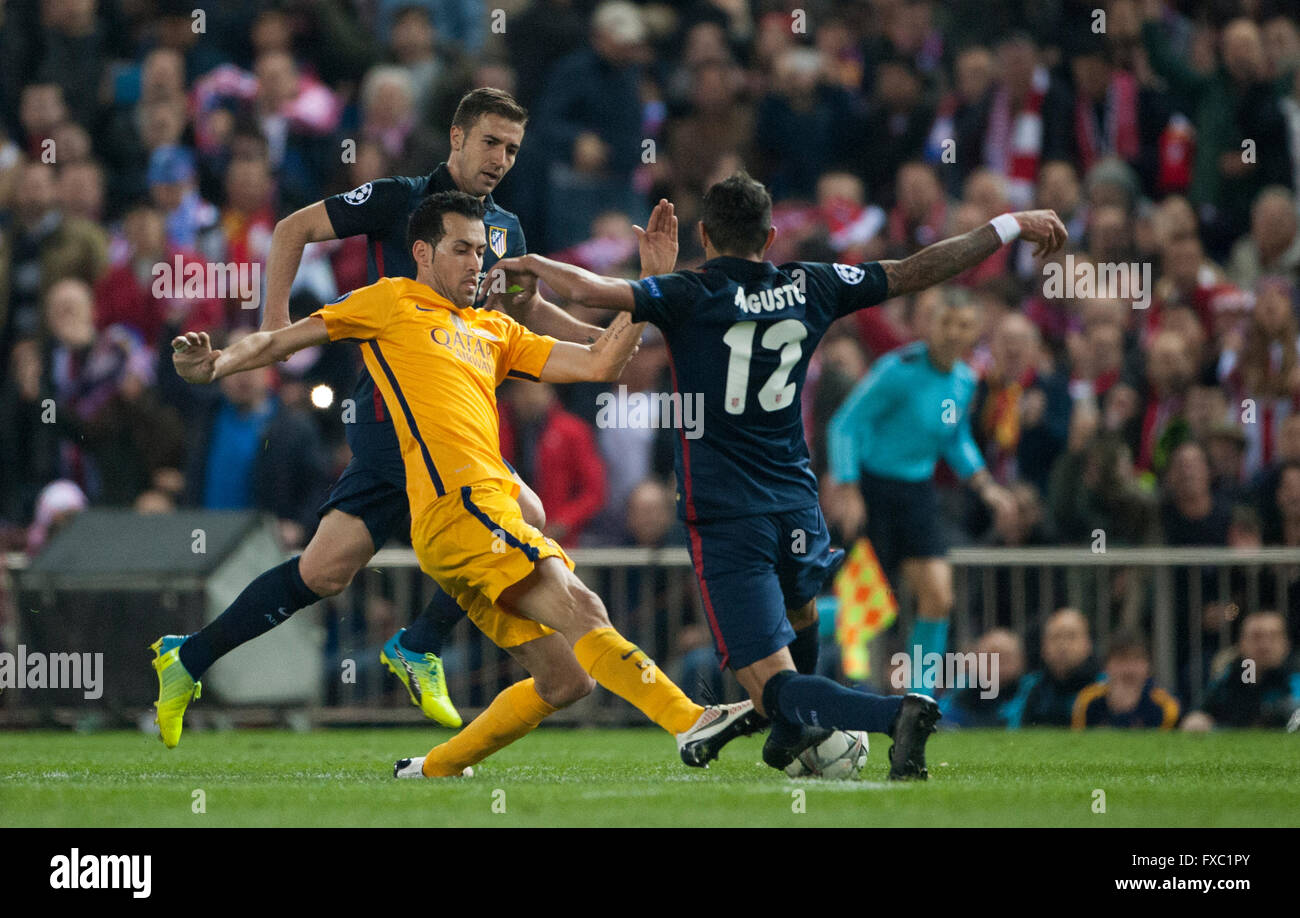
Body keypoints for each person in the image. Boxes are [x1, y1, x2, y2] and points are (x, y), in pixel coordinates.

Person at [493, 172, 1068, 778]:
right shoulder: (811, 284)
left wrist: (534, 264)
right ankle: (794, 733)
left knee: (768, 684)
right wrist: (1007, 225)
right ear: (770, 236)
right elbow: (916, 269)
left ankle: (894, 712)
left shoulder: (689, 292)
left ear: (705, 235)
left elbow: (592, 291)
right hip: (797, 502)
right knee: (800, 619)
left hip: (725, 515)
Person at [170, 191, 756, 777]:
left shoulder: (495, 329)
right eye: (461, 249)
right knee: (582, 605)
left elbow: (600, 362)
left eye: (481, 250)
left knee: (564, 678)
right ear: (422, 253)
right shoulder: (390, 302)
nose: (476, 262)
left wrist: (650, 287)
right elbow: (280, 340)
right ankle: (689, 721)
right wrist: (217, 365)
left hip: (469, 526)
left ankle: (433, 769)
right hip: (463, 508)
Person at [148, 88, 626, 744]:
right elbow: (293, 229)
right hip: (390, 411)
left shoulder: (505, 229)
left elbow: (525, 310)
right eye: (490, 142)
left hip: (453, 415)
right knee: (523, 517)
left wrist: (603, 341)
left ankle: (189, 657)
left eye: (512, 149)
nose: (501, 159)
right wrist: (272, 330)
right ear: (456, 137)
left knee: (323, 570)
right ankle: (421, 644)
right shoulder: (399, 199)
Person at [825, 287, 1018, 694]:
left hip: (918, 493)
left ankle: (919, 699)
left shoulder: (966, 380)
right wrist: (849, 488)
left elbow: (954, 438)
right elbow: (844, 424)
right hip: (874, 491)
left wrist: (986, 486)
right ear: (930, 326)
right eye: (945, 322)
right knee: (865, 608)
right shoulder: (898, 370)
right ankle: (795, 630)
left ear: (975, 333)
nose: (952, 333)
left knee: (938, 597)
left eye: (963, 326)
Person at [1071, 632, 1180, 729]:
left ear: (1149, 666)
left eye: (1137, 659)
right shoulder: (1088, 700)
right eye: (1121, 660)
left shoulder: (1165, 706)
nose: (1129, 669)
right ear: (1106, 666)